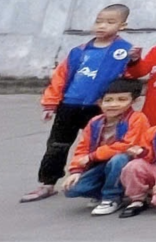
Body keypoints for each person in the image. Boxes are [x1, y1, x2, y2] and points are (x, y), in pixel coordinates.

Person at [24, 2, 135, 203]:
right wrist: (50, 103)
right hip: (69, 105)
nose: (102, 26)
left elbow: (131, 78)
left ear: (122, 26)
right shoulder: (79, 51)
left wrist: (135, 62)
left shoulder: (125, 51)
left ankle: (97, 184)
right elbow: (60, 77)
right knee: (57, 145)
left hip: (100, 108)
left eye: (110, 22)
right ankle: (47, 183)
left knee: (99, 145)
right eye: (99, 21)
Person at [57, 77, 150, 215]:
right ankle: (104, 193)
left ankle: (111, 197)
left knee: (119, 159)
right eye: (108, 100)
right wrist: (76, 170)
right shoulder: (95, 122)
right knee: (71, 189)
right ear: (99, 102)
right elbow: (83, 148)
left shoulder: (137, 118)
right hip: (101, 164)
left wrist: (93, 156)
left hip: (129, 162)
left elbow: (127, 145)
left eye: (122, 100)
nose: (114, 104)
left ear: (134, 101)